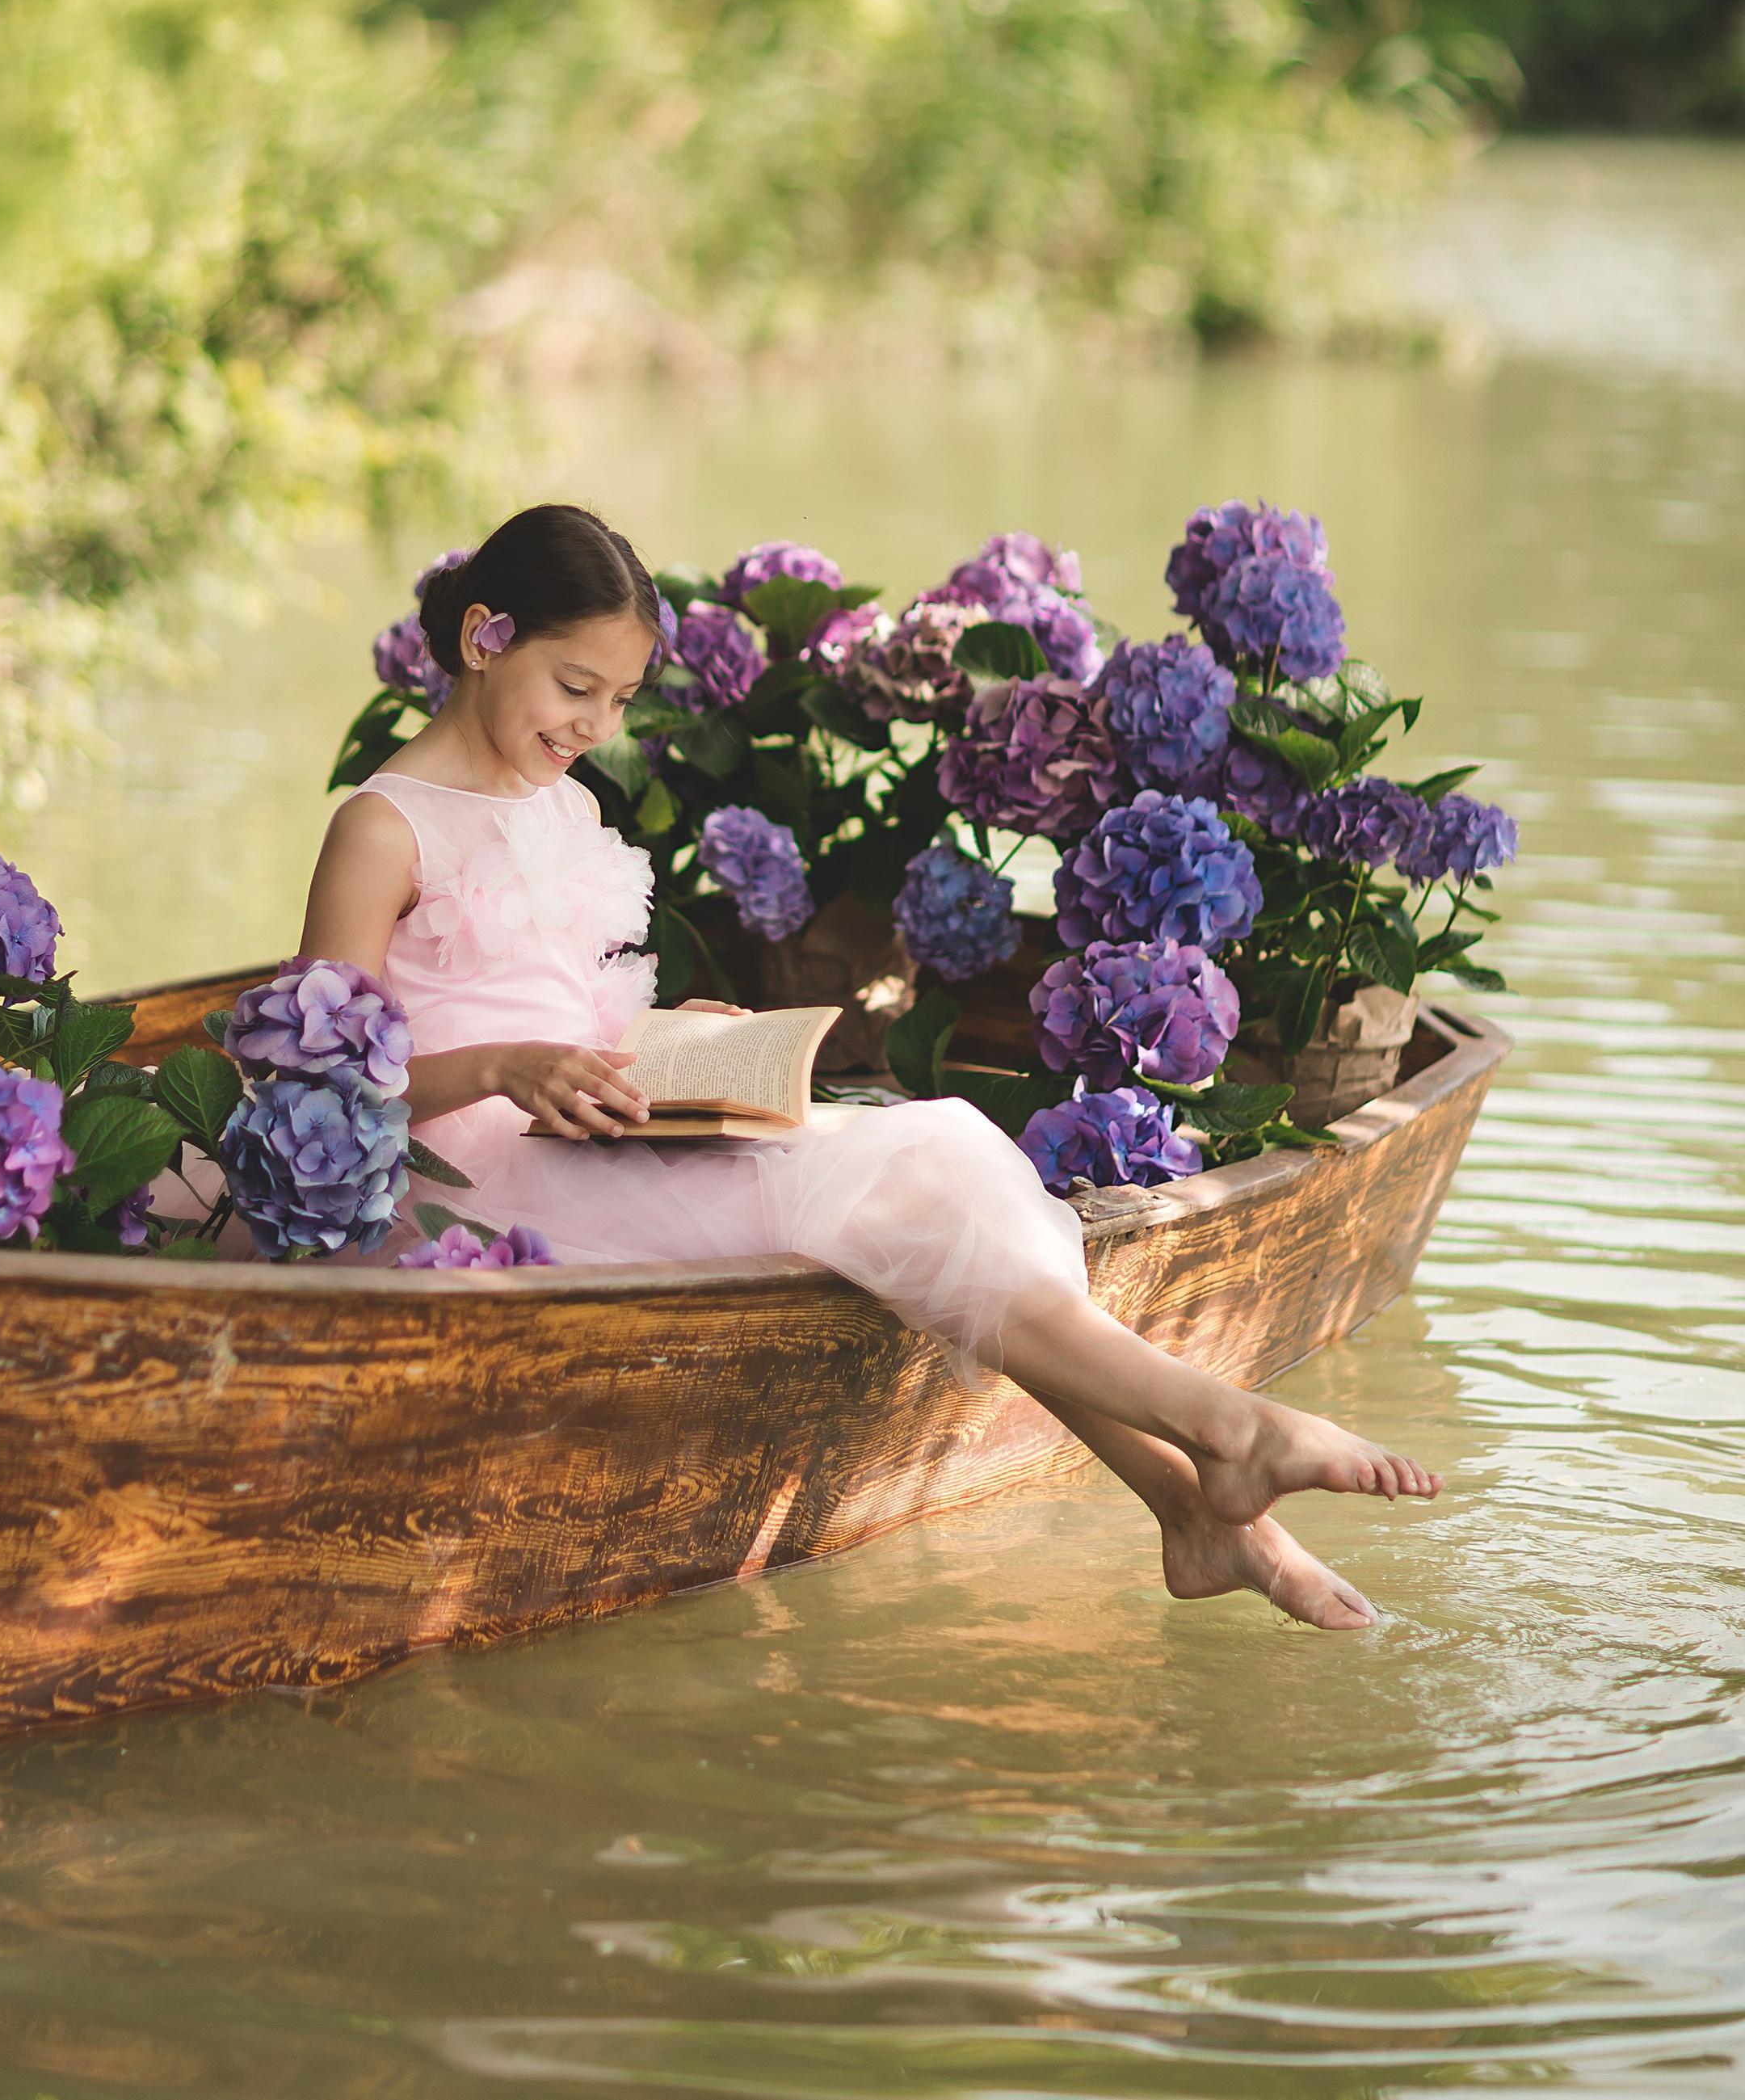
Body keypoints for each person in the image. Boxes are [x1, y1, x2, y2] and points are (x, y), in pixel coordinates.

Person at [302, 503, 1441, 1631]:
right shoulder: (384, 826)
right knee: (912, 1168)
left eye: (621, 697)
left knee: (938, 1153)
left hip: (587, 1124)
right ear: (484, 639)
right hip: (467, 1176)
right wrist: (507, 1062)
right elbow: (322, 1086)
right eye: (573, 685)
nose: (597, 724)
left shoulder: (551, 795)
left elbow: (552, 995)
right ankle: (1224, 1439)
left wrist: (664, 1029)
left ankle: (1197, 1507)